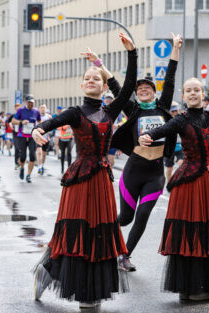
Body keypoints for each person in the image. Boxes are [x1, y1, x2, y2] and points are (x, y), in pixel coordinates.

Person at [30, 33, 136, 309]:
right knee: (74, 232)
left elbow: (128, 89)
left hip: (101, 180)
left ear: (103, 86)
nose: (91, 81)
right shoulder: (75, 113)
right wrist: (37, 130)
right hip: (79, 181)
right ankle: (49, 270)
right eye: (88, 78)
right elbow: (49, 123)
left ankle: (92, 291)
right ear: (82, 84)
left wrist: (131, 53)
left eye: (96, 79)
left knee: (99, 234)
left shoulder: (111, 111)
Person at [139, 38, 209, 301]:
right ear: (183, 96)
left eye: (197, 89)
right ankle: (188, 287)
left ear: (203, 94)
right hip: (191, 183)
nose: (193, 93)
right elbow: (162, 130)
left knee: (208, 233)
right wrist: (148, 136)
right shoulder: (180, 120)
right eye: (189, 91)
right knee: (191, 233)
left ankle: (207, 284)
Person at [105, 33, 181, 272]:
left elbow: (169, 80)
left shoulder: (163, 107)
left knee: (144, 215)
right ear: (137, 94)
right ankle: (103, 240)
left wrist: (175, 49)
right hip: (133, 172)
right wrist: (100, 65)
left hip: (155, 174)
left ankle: (124, 255)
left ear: (154, 91)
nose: (144, 90)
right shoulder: (132, 109)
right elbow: (117, 87)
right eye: (140, 89)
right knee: (125, 218)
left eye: (148, 87)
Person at [12, 96, 41, 183]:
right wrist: (21, 122)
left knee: (32, 155)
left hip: (32, 137)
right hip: (22, 136)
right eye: (29, 103)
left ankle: (28, 175)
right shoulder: (20, 110)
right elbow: (13, 121)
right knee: (23, 156)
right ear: (26, 102)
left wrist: (39, 128)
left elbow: (39, 121)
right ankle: (22, 168)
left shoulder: (36, 111)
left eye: (32, 103)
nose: (31, 104)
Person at [163, 103, 184, 182]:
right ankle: (169, 183)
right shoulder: (166, 120)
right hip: (169, 148)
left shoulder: (181, 119)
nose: (174, 113)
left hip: (180, 147)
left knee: (181, 164)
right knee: (169, 167)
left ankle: (179, 182)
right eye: (173, 111)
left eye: (176, 111)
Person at [36, 104, 52, 175]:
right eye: (41, 108)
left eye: (44, 108)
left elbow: (52, 125)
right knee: (39, 152)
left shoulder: (48, 117)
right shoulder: (36, 116)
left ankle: (42, 165)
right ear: (39, 109)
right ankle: (39, 167)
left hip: (46, 138)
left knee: (44, 154)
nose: (43, 109)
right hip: (38, 137)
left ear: (46, 109)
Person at [7, 103, 22, 168]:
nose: (17, 108)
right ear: (15, 108)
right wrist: (11, 126)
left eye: (19, 107)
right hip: (15, 133)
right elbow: (8, 122)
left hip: (22, 132)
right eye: (16, 107)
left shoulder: (22, 115)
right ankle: (16, 162)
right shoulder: (13, 115)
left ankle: (20, 160)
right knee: (16, 147)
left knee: (21, 148)